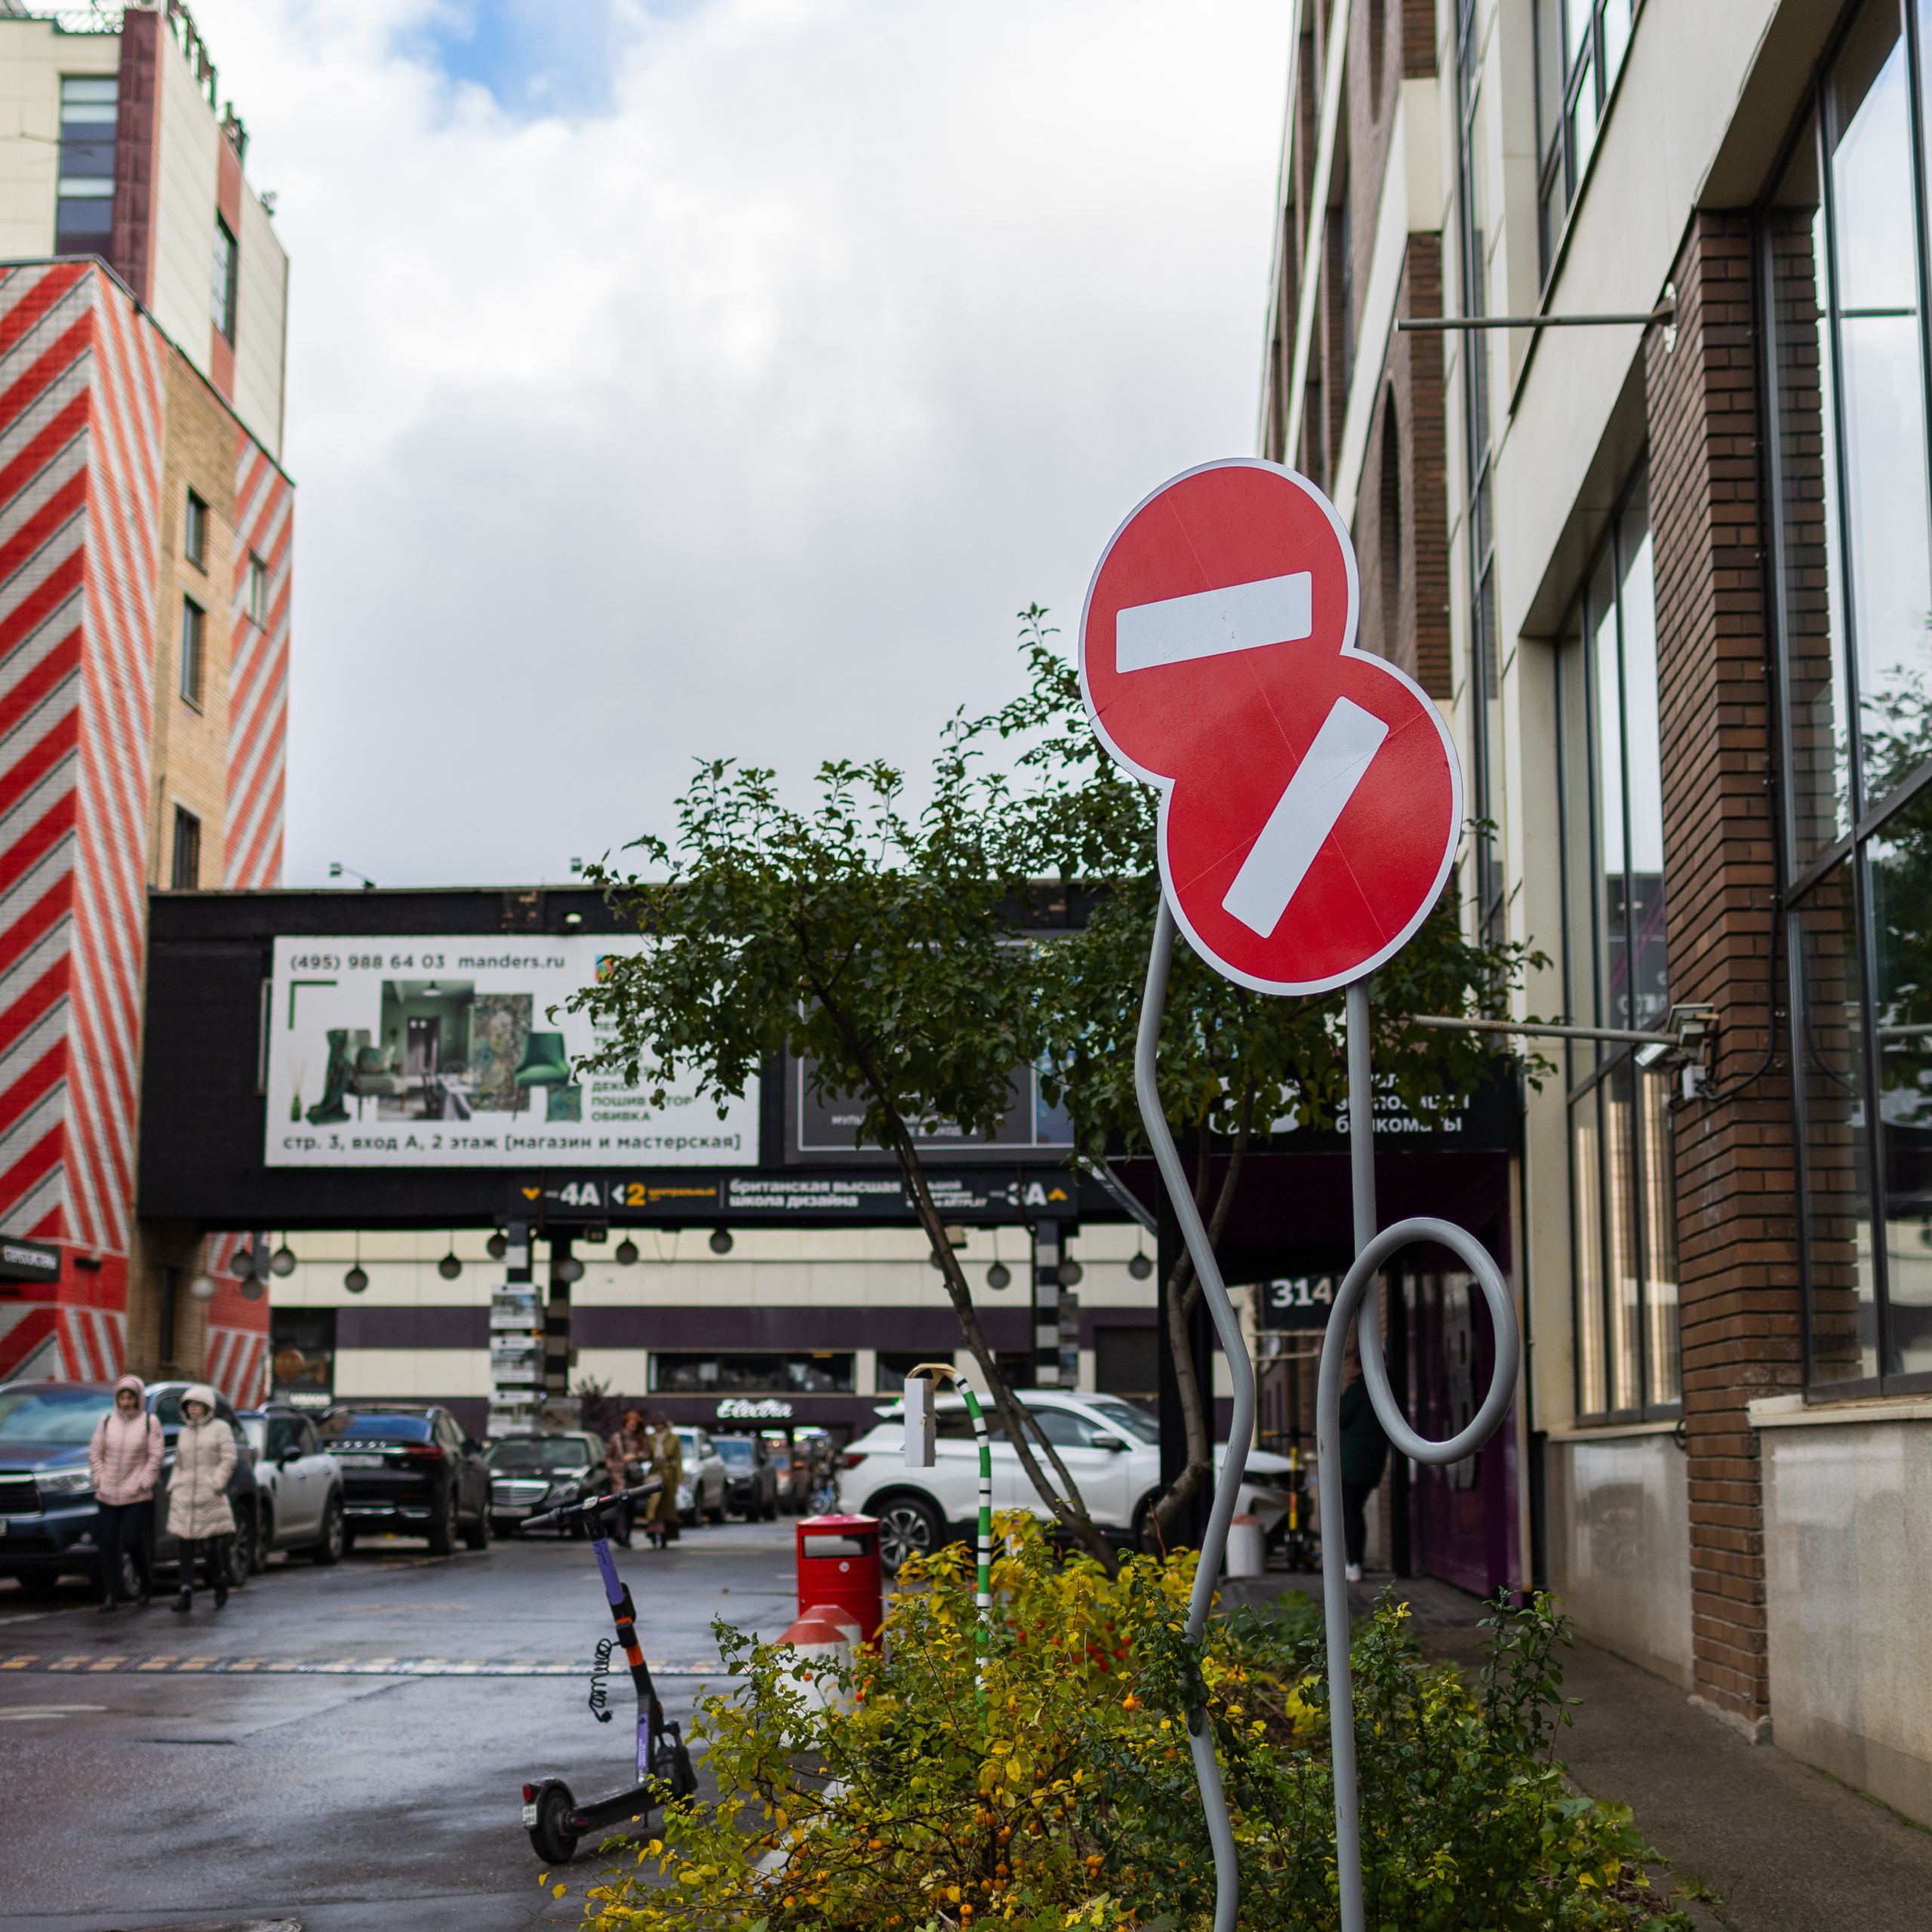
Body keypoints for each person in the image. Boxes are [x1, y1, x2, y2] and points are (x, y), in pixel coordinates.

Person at [88, 1374, 163, 1611]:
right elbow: (95, 1453)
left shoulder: (150, 1422)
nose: (126, 1402)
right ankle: (111, 1594)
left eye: (131, 1397)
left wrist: (144, 1482)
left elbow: (155, 1456)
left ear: (138, 1398)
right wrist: (99, 1478)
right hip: (107, 1493)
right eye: (122, 1397)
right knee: (108, 1542)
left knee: (132, 1539)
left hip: (136, 1494)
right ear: (117, 1399)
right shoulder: (107, 1421)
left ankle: (145, 1582)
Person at [167, 1384, 236, 1612]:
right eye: (189, 1405)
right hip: (185, 1496)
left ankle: (219, 1579)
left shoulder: (220, 1428)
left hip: (209, 1496)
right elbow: (179, 1462)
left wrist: (216, 1483)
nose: (193, 1409)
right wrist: (174, 1486)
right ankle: (185, 1592)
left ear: (207, 1406)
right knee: (185, 1546)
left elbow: (229, 1458)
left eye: (197, 1405)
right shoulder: (183, 1433)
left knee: (209, 1546)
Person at [1337, 1346, 1389, 1585]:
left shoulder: (1359, 1388)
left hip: (1351, 1463)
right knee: (1356, 1510)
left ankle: (1354, 1563)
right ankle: (1356, 1562)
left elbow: (1340, 1416)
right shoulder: (1387, 1389)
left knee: (1350, 1513)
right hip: (1372, 1461)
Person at [605, 1409, 654, 1549]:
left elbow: (647, 1454)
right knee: (621, 1506)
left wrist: (635, 1456)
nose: (633, 1428)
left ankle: (626, 1535)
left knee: (631, 1508)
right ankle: (620, 1534)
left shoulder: (640, 1438)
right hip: (619, 1477)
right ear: (625, 1424)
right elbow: (608, 1455)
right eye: (631, 1425)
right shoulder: (616, 1438)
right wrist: (612, 1468)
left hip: (633, 1477)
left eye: (635, 1426)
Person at [643, 1413, 683, 1548]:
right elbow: (647, 1455)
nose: (658, 1427)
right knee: (654, 1504)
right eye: (656, 1425)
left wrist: (679, 1477)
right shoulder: (650, 1438)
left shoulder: (673, 1438)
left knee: (667, 1506)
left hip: (668, 1474)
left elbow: (678, 1458)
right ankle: (654, 1532)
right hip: (655, 1472)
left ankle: (666, 1535)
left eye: (660, 1424)